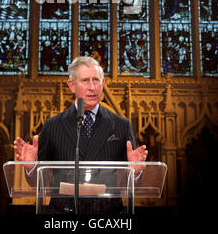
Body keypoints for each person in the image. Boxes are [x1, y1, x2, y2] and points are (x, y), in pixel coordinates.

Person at [14, 56, 148, 213]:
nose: (92, 87)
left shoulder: (121, 126)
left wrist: (136, 173)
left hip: (108, 217)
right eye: (85, 81)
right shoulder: (52, 126)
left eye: (96, 80)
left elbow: (131, 184)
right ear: (72, 85)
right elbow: (42, 183)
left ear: (102, 83)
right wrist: (31, 167)